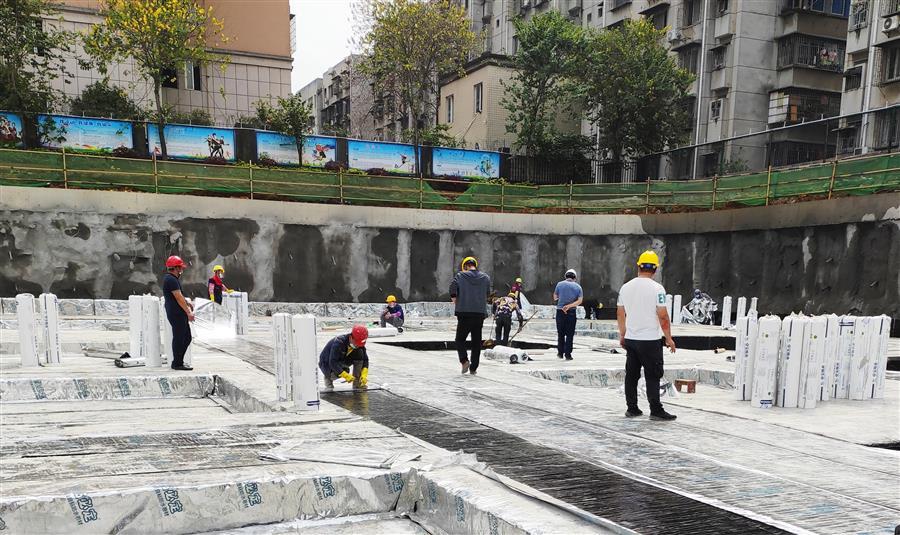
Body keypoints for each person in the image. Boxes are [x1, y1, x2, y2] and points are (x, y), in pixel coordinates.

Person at [617, 250, 677, 421]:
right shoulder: (657, 289)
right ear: (655, 270)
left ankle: (632, 408)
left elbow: (620, 314)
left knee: (632, 375)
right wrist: (669, 338)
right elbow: (663, 316)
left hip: (631, 339)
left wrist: (623, 334)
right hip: (650, 340)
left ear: (638, 267)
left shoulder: (625, 287)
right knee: (652, 375)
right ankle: (656, 410)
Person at [449, 256, 491, 375]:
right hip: (479, 314)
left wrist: (456, 301)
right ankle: (474, 368)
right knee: (476, 342)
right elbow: (488, 294)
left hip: (464, 313)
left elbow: (452, 290)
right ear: (474, 265)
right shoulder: (485, 277)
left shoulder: (460, 276)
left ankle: (464, 361)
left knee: (460, 339)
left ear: (466, 266)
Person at [162, 255, 194, 371]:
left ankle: (179, 361)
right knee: (180, 337)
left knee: (186, 337)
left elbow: (179, 296)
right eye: (180, 267)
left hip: (177, 312)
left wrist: (187, 302)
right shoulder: (171, 279)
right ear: (175, 268)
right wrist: (189, 312)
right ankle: (177, 363)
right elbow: (178, 297)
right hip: (176, 313)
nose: (182, 270)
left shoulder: (172, 279)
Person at [319, 324, 369, 392]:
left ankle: (358, 384)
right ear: (351, 337)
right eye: (356, 343)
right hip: (326, 362)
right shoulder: (339, 342)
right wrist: (345, 375)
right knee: (336, 373)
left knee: (360, 353)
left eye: (359, 344)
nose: (357, 345)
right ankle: (328, 377)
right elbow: (333, 362)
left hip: (342, 359)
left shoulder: (359, 345)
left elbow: (365, 359)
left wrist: (364, 374)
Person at [554, 269, 583, 360]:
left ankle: (560, 353)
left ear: (566, 276)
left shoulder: (559, 284)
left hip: (560, 311)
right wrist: (569, 305)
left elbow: (555, 297)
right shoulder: (578, 287)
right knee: (570, 334)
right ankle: (568, 355)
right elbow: (579, 301)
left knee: (560, 333)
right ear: (574, 277)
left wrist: (562, 298)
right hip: (571, 312)